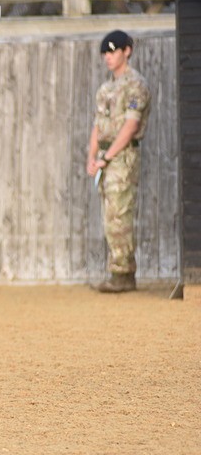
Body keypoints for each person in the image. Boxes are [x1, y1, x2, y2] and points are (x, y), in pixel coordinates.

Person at [87, 30, 153, 293]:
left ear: (127, 51)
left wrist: (107, 156)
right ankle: (118, 270)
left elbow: (130, 125)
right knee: (110, 215)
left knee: (119, 213)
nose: (108, 57)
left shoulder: (135, 84)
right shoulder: (106, 89)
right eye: (105, 52)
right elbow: (98, 125)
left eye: (113, 51)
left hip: (122, 158)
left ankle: (123, 273)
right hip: (106, 158)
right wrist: (92, 156)